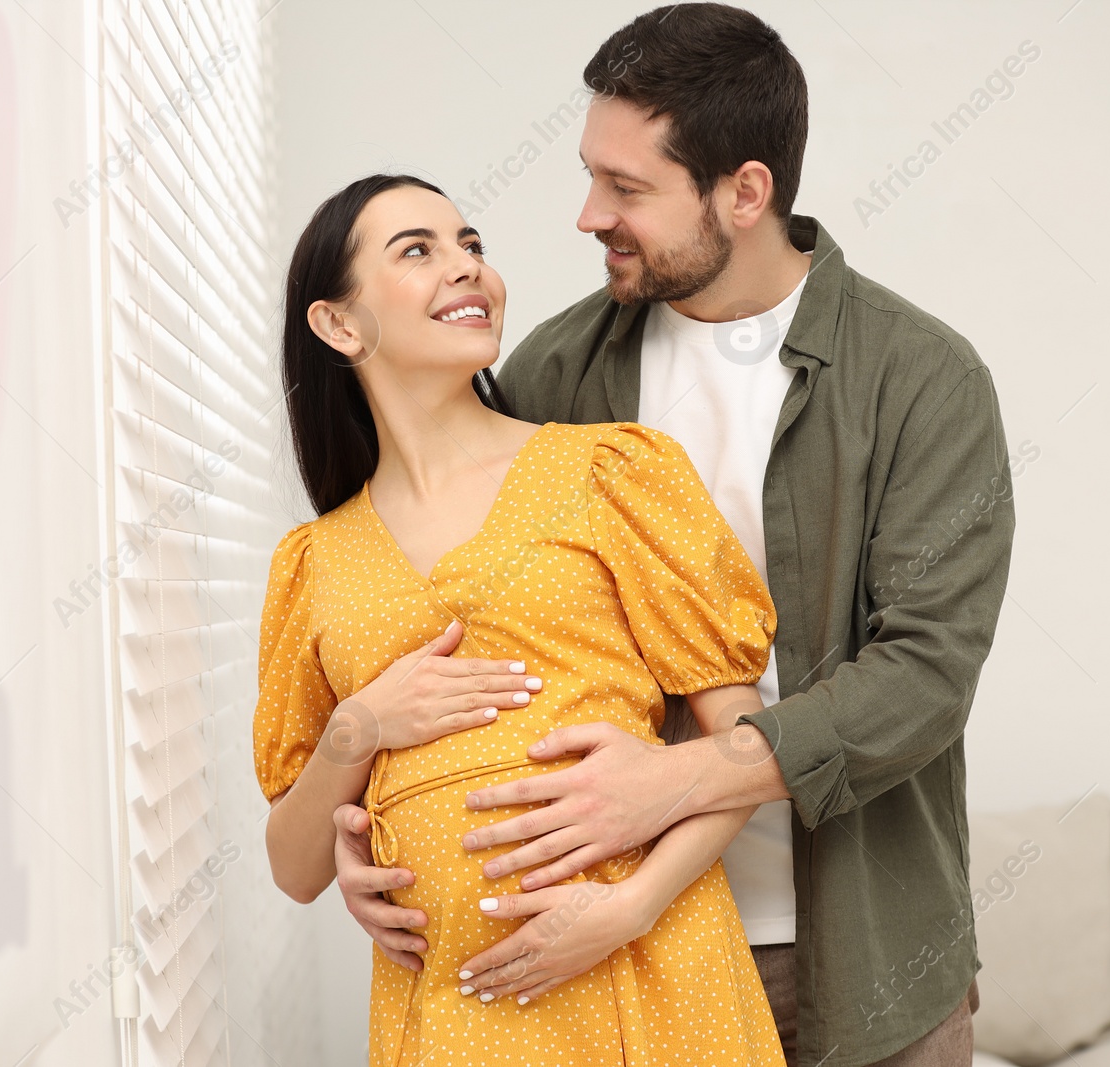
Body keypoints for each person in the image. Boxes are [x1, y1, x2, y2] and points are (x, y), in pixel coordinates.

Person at [332, 6, 1017, 1065]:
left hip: (874, 961)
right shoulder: (553, 376)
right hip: (612, 957)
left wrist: (679, 778)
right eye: (590, 174)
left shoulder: (921, 378)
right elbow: (469, 632)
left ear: (744, 192)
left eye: (627, 189)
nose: (586, 214)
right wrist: (368, 818)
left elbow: (924, 675)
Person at [255, 171, 790, 1066]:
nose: (466, 267)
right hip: (455, 1018)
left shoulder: (609, 473)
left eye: (471, 244)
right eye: (417, 250)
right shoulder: (314, 565)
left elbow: (744, 747)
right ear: (339, 324)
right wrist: (360, 728)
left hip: (648, 981)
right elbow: (295, 866)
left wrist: (629, 906)